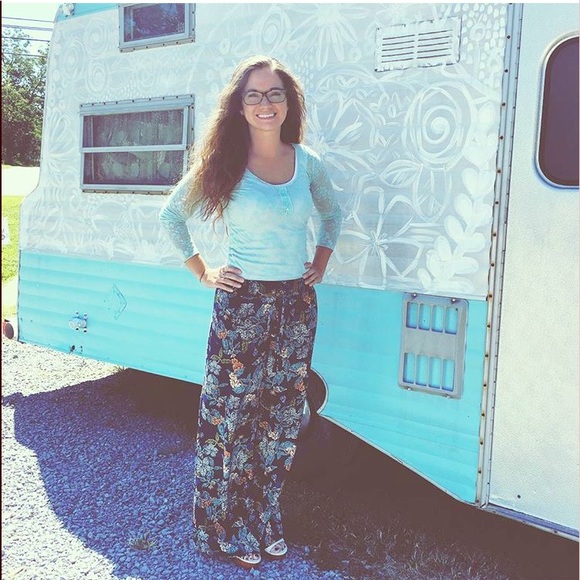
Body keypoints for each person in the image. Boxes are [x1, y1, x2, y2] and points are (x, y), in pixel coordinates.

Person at [159, 55, 342, 569]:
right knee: (233, 419)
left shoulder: (307, 162)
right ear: (239, 107)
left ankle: (264, 517)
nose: (266, 103)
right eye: (254, 95)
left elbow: (332, 213)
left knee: (280, 420)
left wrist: (320, 261)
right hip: (242, 304)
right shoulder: (226, 162)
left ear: (288, 103)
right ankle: (226, 523)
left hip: (295, 305)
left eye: (275, 94)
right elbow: (172, 216)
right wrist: (204, 272)